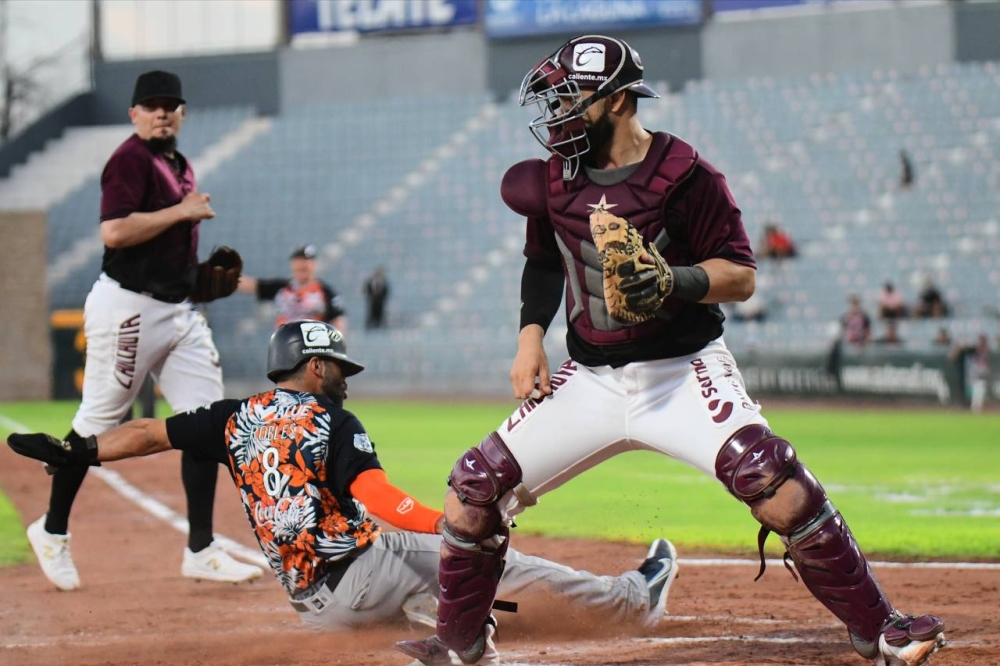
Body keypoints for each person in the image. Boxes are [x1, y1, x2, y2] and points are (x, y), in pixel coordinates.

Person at [395, 35, 945, 666]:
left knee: (778, 486)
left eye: (574, 97)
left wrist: (674, 280)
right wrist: (529, 339)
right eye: (558, 97)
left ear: (622, 101)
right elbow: (542, 262)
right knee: (472, 492)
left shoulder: (687, 176)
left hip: (683, 371)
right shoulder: (554, 180)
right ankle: (459, 644)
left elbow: (741, 275)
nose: (561, 112)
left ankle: (881, 629)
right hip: (590, 378)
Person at [7, 321, 678, 658]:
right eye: (339, 366)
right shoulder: (332, 420)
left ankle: (433, 614)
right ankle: (631, 601)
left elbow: (151, 432)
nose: (345, 377)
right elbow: (383, 501)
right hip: (362, 575)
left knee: (422, 571)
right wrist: (456, 526)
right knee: (495, 559)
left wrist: (82, 449)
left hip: (313, 604)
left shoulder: (233, 417)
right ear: (316, 365)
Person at [24, 70, 261, 592]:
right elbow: (114, 230)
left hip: (176, 311)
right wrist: (181, 211)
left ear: (182, 113)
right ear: (134, 113)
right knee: (97, 424)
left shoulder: (177, 164)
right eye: (151, 105)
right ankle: (52, 530)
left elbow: (169, 247)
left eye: (170, 105)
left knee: (205, 422)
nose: (161, 113)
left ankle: (201, 548)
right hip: (128, 308)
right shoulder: (130, 159)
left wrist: (197, 283)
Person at [238, 244, 347, 331]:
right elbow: (251, 285)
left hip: (315, 343)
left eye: (308, 260)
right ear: (293, 264)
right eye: (299, 259)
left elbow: (338, 320)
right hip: (286, 342)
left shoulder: (326, 292)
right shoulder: (281, 288)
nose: (304, 263)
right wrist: (228, 276)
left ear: (314, 264)